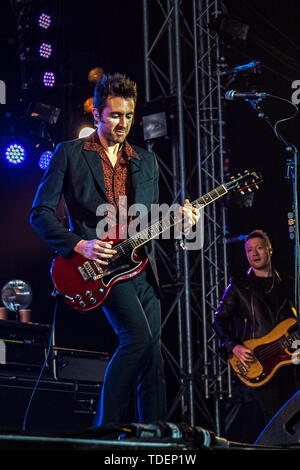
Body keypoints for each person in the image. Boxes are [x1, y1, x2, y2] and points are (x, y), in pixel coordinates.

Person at [30, 73, 199, 427]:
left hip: (140, 267)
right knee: (137, 338)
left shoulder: (145, 161)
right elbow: (40, 213)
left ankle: (150, 436)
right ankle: (105, 430)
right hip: (100, 266)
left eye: (128, 116)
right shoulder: (68, 153)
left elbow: (150, 224)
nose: (123, 123)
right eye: (115, 115)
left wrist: (181, 224)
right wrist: (79, 243)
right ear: (97, 115)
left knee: (152, 355)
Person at [213, 229, 298, 429]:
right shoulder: (238, 286)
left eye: (259, 248)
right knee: (275, 421)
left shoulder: (288, 283)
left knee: (295, 418)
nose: (254, 253)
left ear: (270, 250)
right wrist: (234, 346)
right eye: (250, 250)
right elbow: (219, 320)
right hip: (259, 361)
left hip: (291, 360)